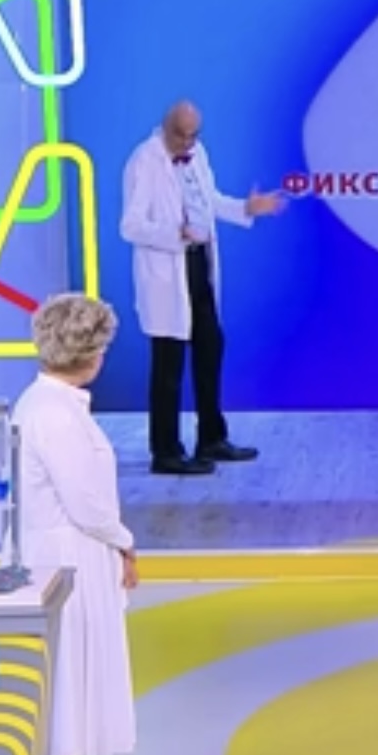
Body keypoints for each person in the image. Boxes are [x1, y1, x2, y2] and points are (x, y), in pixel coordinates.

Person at [15, 293, 137, 755]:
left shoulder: (49, 405)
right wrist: (125, 542)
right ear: (90, 353)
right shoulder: (55, 416)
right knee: (68, 677)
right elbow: (86, 503)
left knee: (73, 676)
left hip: (67, 553)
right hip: (69, 558)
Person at [119, 100, 285, 476]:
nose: (187, 143)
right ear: (165, 128)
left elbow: (209, 202)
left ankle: (211, 437)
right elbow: (130, 225)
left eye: (193, 136)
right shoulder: (144, 161)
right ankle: (166, 451)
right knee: (169, 365)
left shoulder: (197, 155)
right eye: (181, 135)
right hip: (167, 270)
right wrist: (174, 234)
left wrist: (247, 208)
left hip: (198, 265)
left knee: (210, 349)